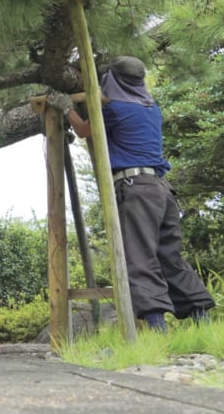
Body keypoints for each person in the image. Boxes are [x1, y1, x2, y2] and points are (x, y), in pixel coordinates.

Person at [49, 56, 214, 332]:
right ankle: (202, 318)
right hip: (162, 189)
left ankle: (156, 326)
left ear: (112, 79)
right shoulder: (152, 108)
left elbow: (84, 130)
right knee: (170, 256)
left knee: (139, 256)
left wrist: (67, 109)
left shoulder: (115, 110)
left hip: (135, 188)